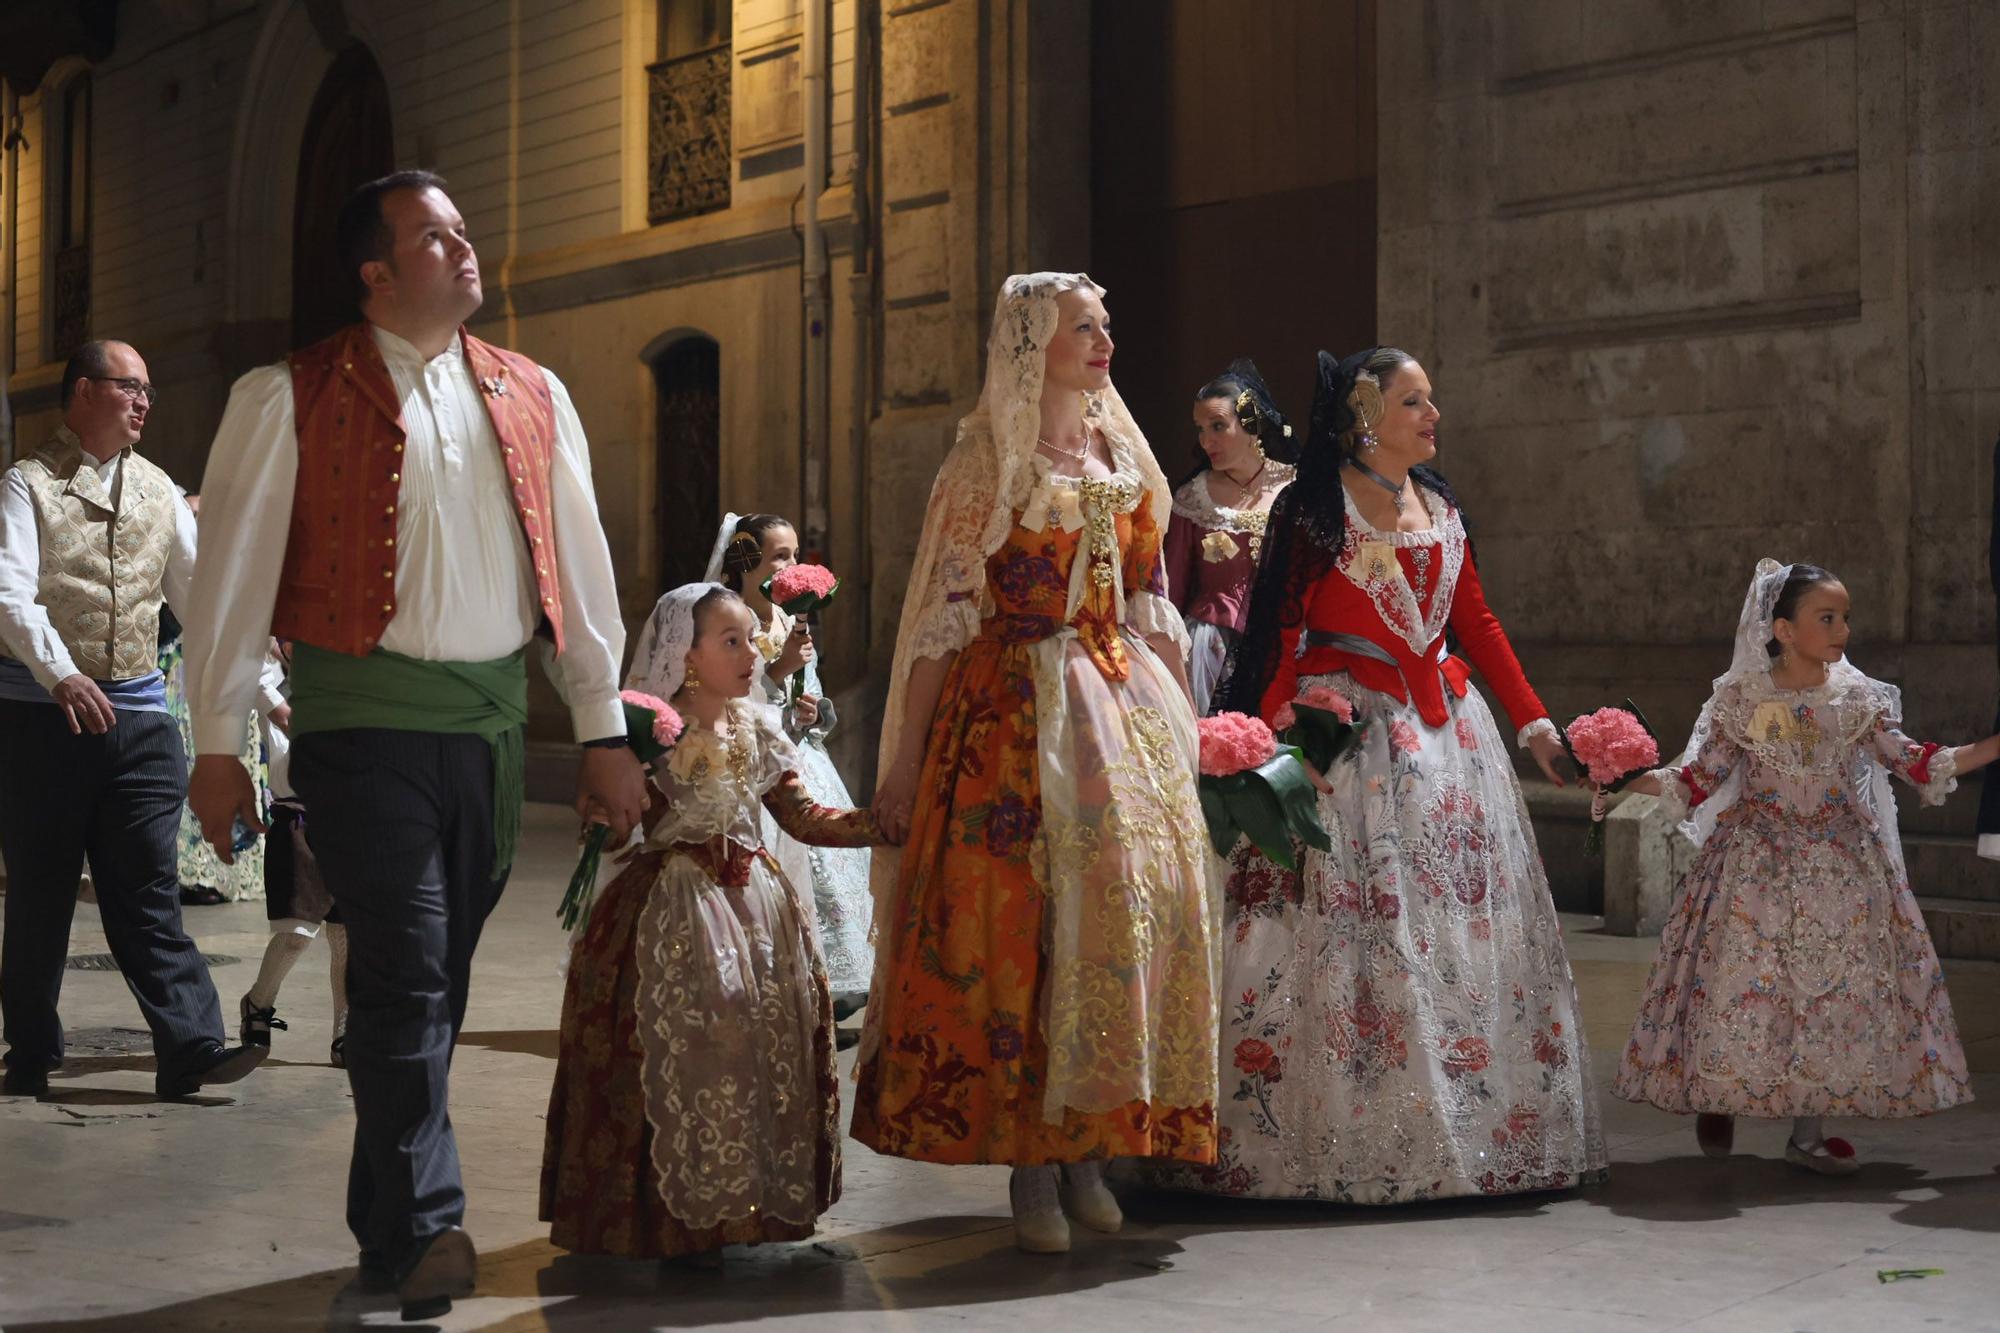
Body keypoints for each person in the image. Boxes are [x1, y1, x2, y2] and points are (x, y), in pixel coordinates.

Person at [181, 170, 645, 1320]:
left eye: (464, 230)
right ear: (375, 272)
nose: (465, 247)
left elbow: (578, 570)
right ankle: (434, 1220)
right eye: (435, 237)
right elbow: (231, 574)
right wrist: (216, 739)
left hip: (486, 730)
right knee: (408, 966)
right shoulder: (286, 394)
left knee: (426, 990)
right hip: (356, 728)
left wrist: (602, 727)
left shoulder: (531, 391)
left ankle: (385, 1227)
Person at [851, 272, 1220, 1254]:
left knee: (1119, 923)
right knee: (1026, 928)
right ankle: (1028, 1165)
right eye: (1079, 327)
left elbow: (1146, 595)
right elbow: (941, 616)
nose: (1101, 340)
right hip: (1012, 714)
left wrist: (1185, 716)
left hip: (1120, 702)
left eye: (1104, 323)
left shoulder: (1120, 452)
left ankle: (1091, 1145)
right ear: (1030, 343)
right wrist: (901, 764)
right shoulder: (988, 460)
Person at [1195, 346, 1605, 1202]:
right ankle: (1338, 1131)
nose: (1434, 416)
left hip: (1451, 743)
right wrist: (1260, 736)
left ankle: (1472, 1120)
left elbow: (1477, 619)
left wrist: (1534, 722)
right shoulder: (1315, 509)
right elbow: (1278, 628)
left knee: (1456, 928)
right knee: (1350, 931)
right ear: (1365, 417)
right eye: (1416, 402)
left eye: (1431, 400)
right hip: (1350, 737)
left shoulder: (1442, 501)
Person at [541, 582, 883, 1263]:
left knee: (757, 1044)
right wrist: (605, 822)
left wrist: (884, 823)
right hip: (671, 905)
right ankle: (668, 1214)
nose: (751, 652)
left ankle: (744, 1206)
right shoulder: (648, 728)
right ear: (688, 655)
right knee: (679, 1049)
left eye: (750, 638)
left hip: (758, 906)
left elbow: (804, 818)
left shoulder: (759, 727)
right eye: (732, 640)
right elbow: (617, 831)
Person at [1614, 560, 1983, 1172]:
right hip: (1753, 864)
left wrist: (1991, 746)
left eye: (1846, 619)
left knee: (1830, 994)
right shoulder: (1742, 698)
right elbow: (1699, 779)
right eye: (1827, 618)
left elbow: (1917, 762)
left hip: (1841, 866)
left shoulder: (1857, 699)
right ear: (1782, 629)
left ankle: (1806, 1134)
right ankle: (1721, 1088)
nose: (1842, 631)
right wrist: (1615, 771)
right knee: (1743, 981)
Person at [0, 340, 265, 1100]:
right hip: (39, 721)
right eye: (130, 387)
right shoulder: (25, 485)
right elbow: (11, 595)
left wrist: (259, 666)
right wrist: (61, 673)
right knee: (43, 890)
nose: (145, 401)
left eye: (150, 388)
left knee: (147, 887)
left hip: (142, 722)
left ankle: (190, 1047)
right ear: (84, 392)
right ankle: (29, 1049)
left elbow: (200, 599)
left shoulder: (157, 491)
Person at [700, 512, 873, 1026]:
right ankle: (779, 993)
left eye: (795, 554)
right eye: (780, 556)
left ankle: (830, 991)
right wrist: (779, 674)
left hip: (803, 757)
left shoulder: (786, 620)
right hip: (755, 764)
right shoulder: (731, 621)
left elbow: (811, 687)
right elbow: (726, 701)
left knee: (830, 869)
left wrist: (813, 707)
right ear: (746, 561)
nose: (792, 565)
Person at [235, 639, 351, 1064]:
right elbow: (246, 663)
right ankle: (258, 1002)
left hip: (351, 820)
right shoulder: (274, 683)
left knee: (347, 935)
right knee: (296, 934)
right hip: (297, 819)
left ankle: (346, 1031)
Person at [1162, 359, 1296, 714]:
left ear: (1251, 424)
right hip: (1212, 652)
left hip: (1285, 648)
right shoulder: (1194, 497)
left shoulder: (1295, 489)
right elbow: (1171, 589)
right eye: (1200, 429)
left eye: (1218, 426)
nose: (1206, 440)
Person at [161, 497, 269, 906]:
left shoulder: (239, 562)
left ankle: (220, 870)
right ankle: (185, 868)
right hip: (180, 670)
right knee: (185, 763)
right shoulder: (183, 554)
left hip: (222, 671)